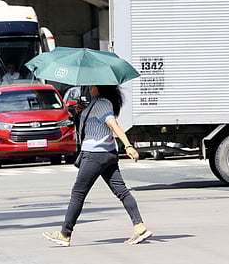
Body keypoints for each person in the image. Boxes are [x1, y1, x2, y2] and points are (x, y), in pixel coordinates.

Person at [43, 85, 152, 246]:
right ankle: (139, 227)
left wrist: (128, 146)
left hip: (94, 155)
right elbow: (90, 126)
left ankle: (65, 234)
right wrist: (80, 112)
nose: (89, 88)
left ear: (100, 88)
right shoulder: (97, 103)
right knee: (121, 191)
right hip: (108, 153)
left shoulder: (101, 103)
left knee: (78, 194)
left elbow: (113, 125)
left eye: (92, 85)